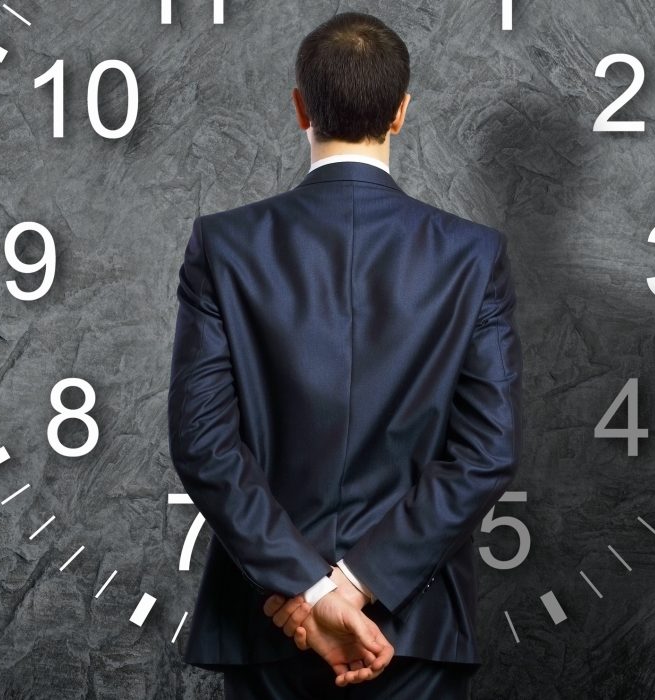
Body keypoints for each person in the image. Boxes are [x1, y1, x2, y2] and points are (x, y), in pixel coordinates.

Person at [167, 11, 522, 699]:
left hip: (268, 621)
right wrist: (358, 587)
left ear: (300, 106)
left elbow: (203, 445)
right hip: (410, 627)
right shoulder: (473, 257)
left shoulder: (224, 246)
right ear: (400, 113)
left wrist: (308, 589)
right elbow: (486, 453)